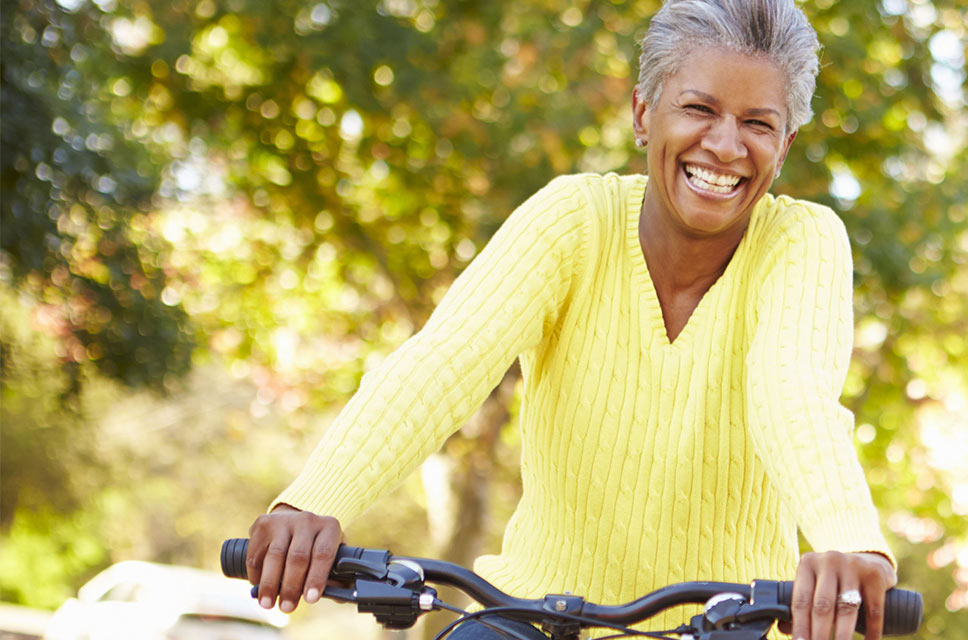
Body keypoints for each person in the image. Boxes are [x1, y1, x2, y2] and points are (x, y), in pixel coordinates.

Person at [241, 2, 896, 639]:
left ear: (784, 146)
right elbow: (444, 362)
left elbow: (794, 399)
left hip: (731, 626)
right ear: (644, 113)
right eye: (698, 109)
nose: (725, 146)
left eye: (758, 123)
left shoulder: (802, 241)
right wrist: (314, 501)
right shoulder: (573, 221)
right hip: (533, 616)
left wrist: (848, 542)